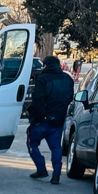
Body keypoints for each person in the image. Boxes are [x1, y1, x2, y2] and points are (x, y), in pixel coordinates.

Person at [26, 55, 75, 184]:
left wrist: (39, 116)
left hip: (42, 120)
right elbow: (70, 97)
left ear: (46, 66)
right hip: (58, 119)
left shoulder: (43, 79)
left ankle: (41, 168)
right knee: (56, 147)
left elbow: (37, 99)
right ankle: (56, 175)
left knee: (32, 144)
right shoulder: (68, 79)